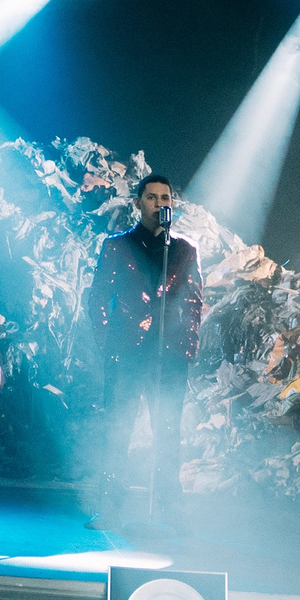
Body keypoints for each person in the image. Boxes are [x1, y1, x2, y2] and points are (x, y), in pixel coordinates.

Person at [86, 173, 204, 528]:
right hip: (126, 352)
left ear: (173, 205)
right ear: (138, 203)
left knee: (167, 431)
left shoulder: (184, 250)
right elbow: (97, 298)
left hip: (169, 354)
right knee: (117, 428)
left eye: (165, 198)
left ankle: (170, 506)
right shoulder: (118, 246)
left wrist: (187, 346)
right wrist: (107, 343)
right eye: (152, 198)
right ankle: (110, 506)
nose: (159, 204)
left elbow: (195, 301)